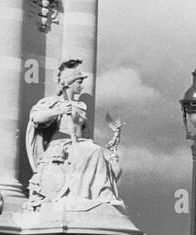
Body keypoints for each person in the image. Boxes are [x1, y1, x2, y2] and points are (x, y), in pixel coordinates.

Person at [26, 59, 126, 212]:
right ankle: (93, 196)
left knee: (113, 162)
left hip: (80, 142)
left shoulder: (81, 105)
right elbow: (37, 118)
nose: (82, 85)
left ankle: (100, 197)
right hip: (61, 144)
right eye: (79, 82)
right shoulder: (54, 101)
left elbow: (84, 133)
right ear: (69, 83)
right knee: (94, 152)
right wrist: (58, 111)